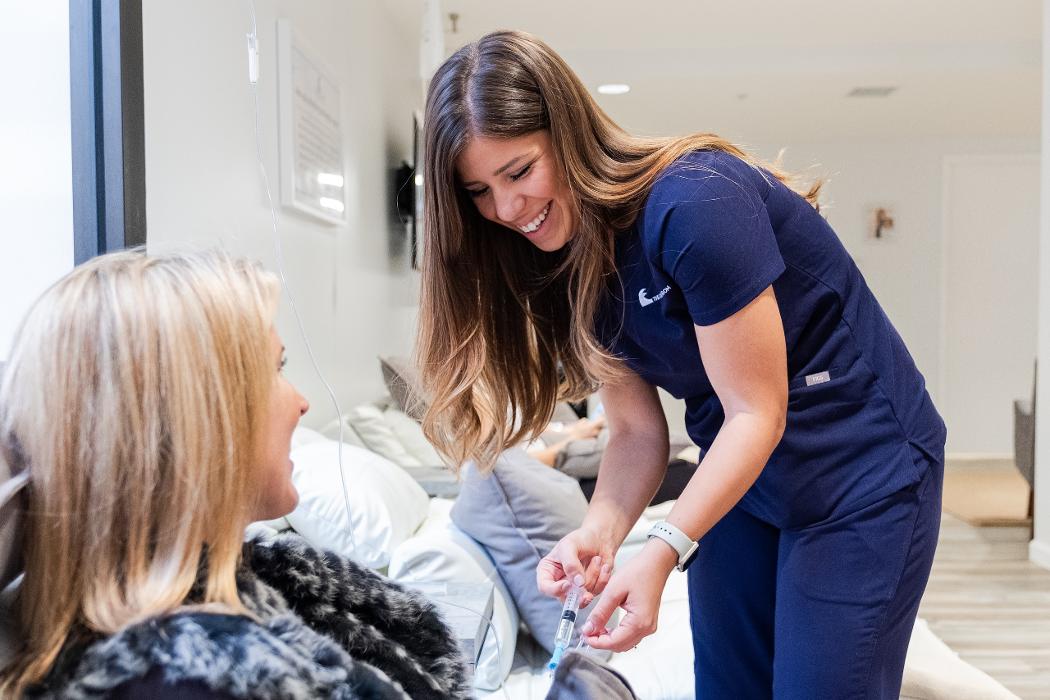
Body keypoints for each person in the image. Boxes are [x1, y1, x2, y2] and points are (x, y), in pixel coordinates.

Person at [415, 30, 946, 699]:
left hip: (860, 468)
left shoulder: (695, 201)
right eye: (478, 191)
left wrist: (663, 545)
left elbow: (758, 408)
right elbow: (637, 433)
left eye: (519, 172)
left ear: (568, 133)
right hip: (745, 475)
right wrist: (601, 534)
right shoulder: (564, 258)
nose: (507, 209)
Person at [0, 250, 471, 699]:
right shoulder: (187, 682)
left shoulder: (249, 595)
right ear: (195, 424)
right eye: (276, 369)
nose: (301, 401)